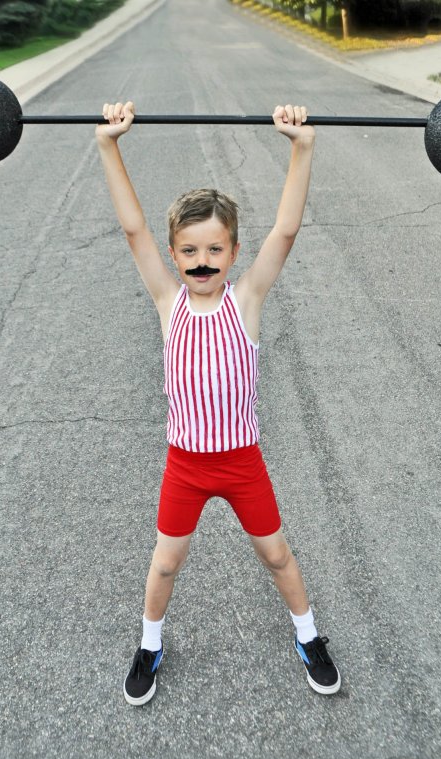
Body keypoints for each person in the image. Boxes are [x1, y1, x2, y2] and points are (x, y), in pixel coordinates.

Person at [96, 100, 341, 706]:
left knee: (277, 556)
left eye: (214, 251)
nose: (201, 263)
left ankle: (307, 636)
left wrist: (301, 147)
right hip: (186, 464)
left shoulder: (247, 300)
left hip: (241, 461)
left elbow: (285, 230)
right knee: (165, 566)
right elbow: (133, 230)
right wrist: (109, 145)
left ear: (232, 254)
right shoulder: (166, 303)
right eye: (188, 252)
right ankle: (150, 643)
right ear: (175, 256)